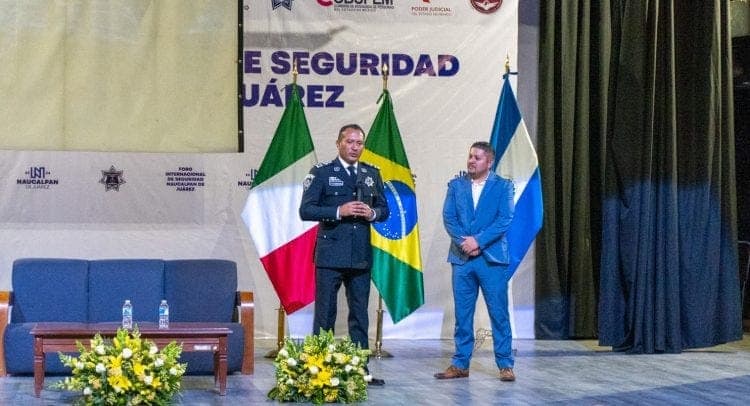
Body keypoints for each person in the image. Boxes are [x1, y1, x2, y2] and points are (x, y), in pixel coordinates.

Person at [299, 123, 389, 386]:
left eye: (359, 143)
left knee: (359, 315)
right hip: (330, 255)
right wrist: (340, 210)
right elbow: (306, 210)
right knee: (325, 313)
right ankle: (320, 368)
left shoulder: (372, 173)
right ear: (338, 143)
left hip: (360, 255)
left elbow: (384, 210)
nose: (355, 147)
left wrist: (372, 213)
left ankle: (360, 369)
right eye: (349, 142)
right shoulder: (322, 172)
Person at [434, 141, 516, 382]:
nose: (471, 161)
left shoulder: (503, 186)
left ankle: (505, 364)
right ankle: (460, 364)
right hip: (462, 259)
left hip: (492, 259)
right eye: (470, 156)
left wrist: (478, 241)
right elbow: (449, 217)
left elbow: (505, 219)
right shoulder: (456, 185)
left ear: (489, 162)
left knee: (498, 313)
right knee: (463, 315)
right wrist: (465, 243)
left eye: (477, 158)